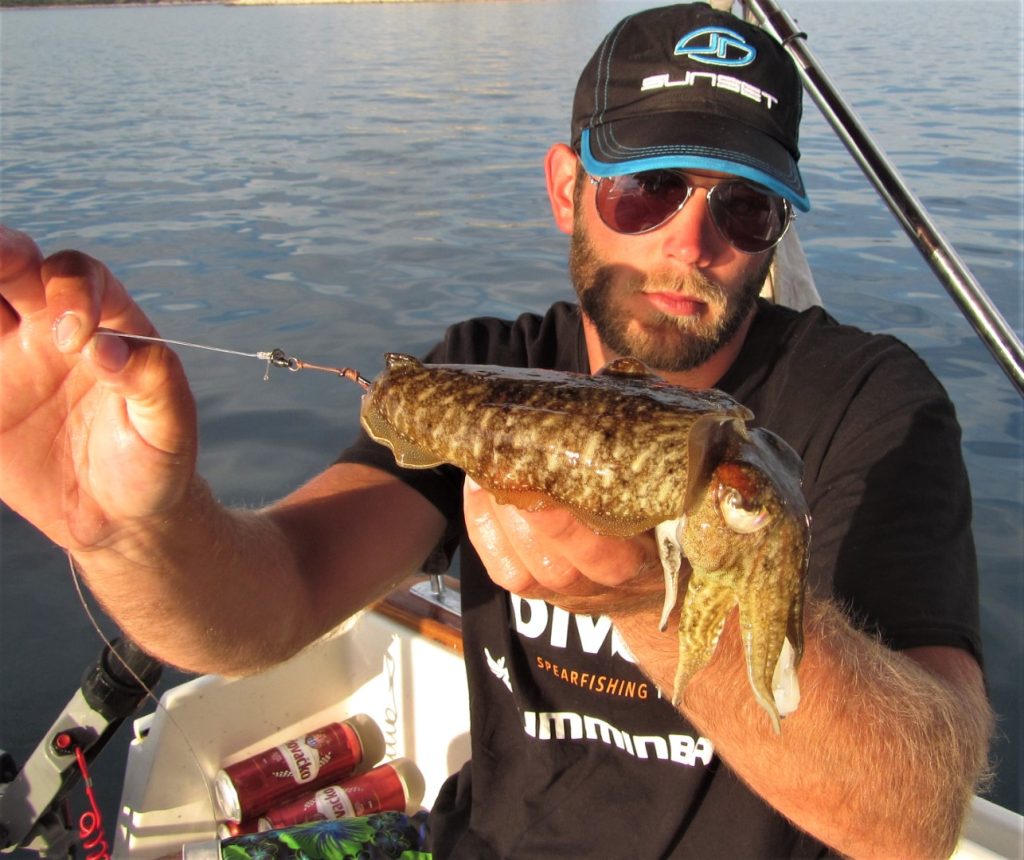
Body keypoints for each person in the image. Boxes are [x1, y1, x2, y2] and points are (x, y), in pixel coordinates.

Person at [0, 3, 992, 858]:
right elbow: (273, 602)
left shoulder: (872, 404)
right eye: (646, 190)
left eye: (744, 208)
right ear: (567, 187)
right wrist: (127, 527)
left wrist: (646, 597)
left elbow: (912, 818)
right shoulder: (483, 369)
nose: (690, 242)